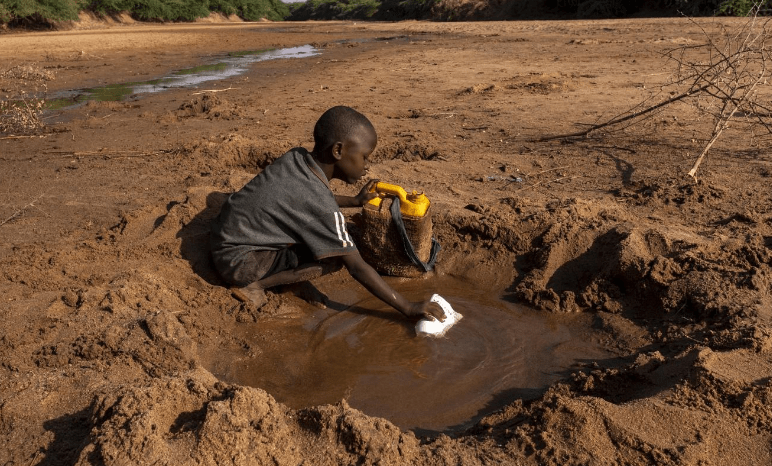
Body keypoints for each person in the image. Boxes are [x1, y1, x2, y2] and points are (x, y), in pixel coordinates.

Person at [210, 106, 444, 322]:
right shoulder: (319, 203)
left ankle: (290, 280)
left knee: (322, 236)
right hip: (239, 263)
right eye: (364, 156)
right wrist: (408, 307)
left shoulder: (297, 158)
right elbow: (356, 267)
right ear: (338, 150)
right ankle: (257, 285)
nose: (366, 165)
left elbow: (303, 201)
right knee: (335, 255)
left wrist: (353, 201)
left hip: (226, 239)